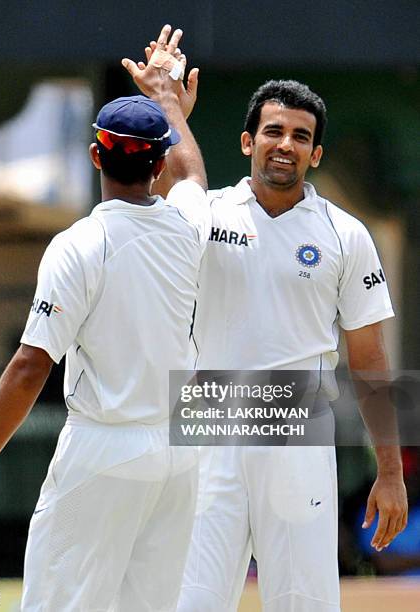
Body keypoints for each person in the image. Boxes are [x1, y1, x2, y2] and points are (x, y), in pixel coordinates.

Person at [0, 25, 210, 612]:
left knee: (57, 604)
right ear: (158, 163)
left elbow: (30, 366)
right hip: (178, 454)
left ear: (96, 156)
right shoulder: (191, 225)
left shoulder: (79, 245)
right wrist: (168, 101)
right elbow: (195, 177)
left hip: (103, 449)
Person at [130, 46, 408, 611]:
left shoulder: (345, 234)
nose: (286, 144)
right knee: (194, 601)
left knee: (303, 602)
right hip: (208, 428)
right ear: (246, 142)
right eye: (274, 130)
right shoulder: (203, 214)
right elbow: (165, 174)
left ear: (317, 153)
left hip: (298, 432)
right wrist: (165, 107)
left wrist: (391, 473)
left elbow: (372, 362)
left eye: (301, 136)